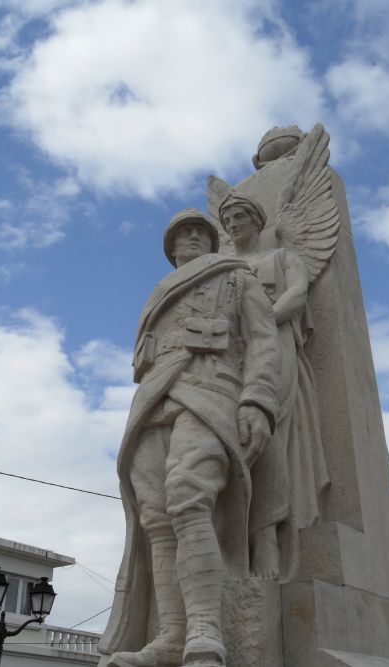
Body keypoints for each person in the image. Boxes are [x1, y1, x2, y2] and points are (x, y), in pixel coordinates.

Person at [98, 209, 280, 667]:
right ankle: (172, 637)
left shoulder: (237, 278)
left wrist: (257, 400)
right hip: (153, 400)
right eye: (185, 234)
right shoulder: (158, 296)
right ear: (172, 248)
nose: (194, 238)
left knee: (188, 498)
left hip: (212, 389)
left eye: (202, 231)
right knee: (156, 519)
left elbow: (262, 340)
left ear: (213, 242)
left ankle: (205, 629)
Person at [219, 192, 329, 580]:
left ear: (256, 221)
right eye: (226, 218)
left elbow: (297, 295)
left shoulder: (282, 258)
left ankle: (265, 541)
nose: (232, 225)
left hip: (275, 348)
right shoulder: (222, 268)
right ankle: (232, 544)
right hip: (230, 355)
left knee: (267, 439)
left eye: (238, 216)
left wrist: (260, 323)